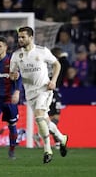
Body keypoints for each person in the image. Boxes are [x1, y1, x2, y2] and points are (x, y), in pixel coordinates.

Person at [9, 26, 69, 164]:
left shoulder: (42, 51)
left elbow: (57, 64)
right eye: (19, 37)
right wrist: (14, 76)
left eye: (23, 37)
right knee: (45, 121)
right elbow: (12, 75)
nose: (20, 39)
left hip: (44, 89)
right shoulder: (16, 55)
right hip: (30, 93)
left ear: (31, 37)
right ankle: (61, 138)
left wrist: (53, 81)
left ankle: (47, 150)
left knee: (39, 116)